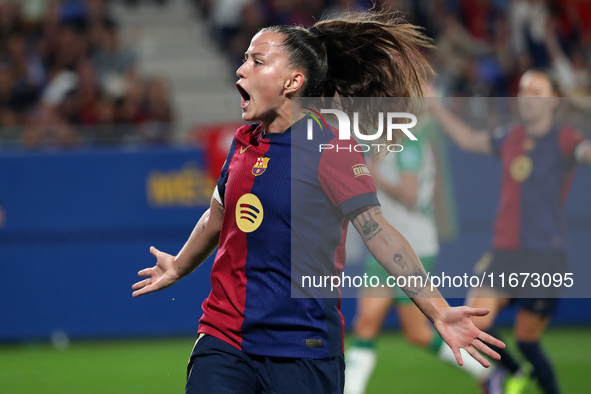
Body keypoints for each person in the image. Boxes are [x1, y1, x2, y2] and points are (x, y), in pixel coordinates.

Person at [132, 11, 505, 394]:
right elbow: (216, 217)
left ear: (294, 81)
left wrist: (439, 310)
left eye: (257, 61)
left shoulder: (331, 148)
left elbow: (379, 234)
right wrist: (178, 265)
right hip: (225, 339)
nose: (241, 70)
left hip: (303, 347)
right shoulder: (244, 142)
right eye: (244, 58)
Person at [429, 69, 591, 394]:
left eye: (536, 90)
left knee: (528, 341)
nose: (527, 96)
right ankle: (513, 373)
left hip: (545, 256)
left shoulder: (564, 139)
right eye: (523, 90)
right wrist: (434, 103)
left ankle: (527, 376)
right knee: (474, 324)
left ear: (554, 100)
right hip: (505, 253)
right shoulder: (510, 136)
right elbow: (466, 140)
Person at [344, 118, 492, 394]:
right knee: (367, 325)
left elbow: (410, 194)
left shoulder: (407, 141)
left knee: (417, 333)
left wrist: (371, 174)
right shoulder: (393, 140)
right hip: (387, 243)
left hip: (409, 245)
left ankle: (488, 371)